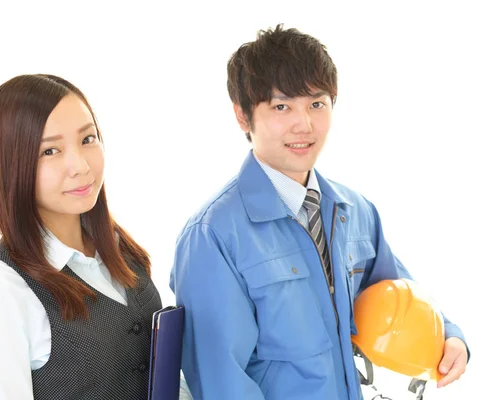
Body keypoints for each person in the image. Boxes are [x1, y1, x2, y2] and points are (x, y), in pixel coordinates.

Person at [170, 24, 469, 400]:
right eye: (282, 106)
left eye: (316, 103)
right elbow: (221, 382)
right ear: (243, 116)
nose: (304, 124)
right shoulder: (213, 235)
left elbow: (403, 300)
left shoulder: (355, 211)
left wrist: (450, 336)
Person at [0, 74, 162, 399]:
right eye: (50, 151)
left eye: (87, 139)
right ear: (12, 164)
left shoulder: (118, 247)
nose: (79, 165)